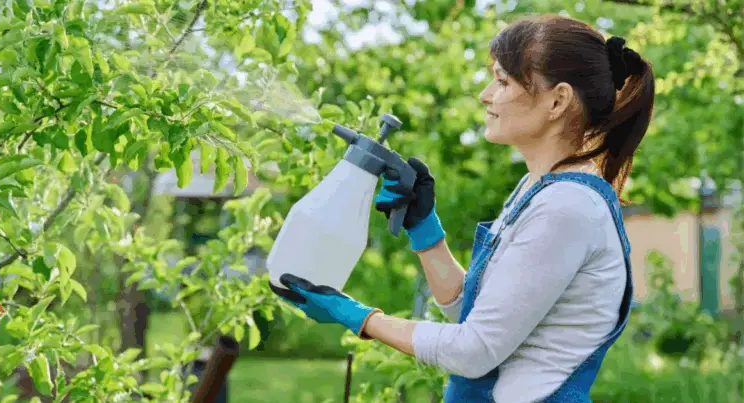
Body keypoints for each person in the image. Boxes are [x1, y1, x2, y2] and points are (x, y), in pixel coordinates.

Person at [269, 14, 655, 403]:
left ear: (557, 100)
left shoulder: (567, 207)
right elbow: (479, 317)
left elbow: (473, 351)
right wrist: (425, 230)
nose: (486, 95)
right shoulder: (537, 189)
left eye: (502, 81)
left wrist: (357, 316)